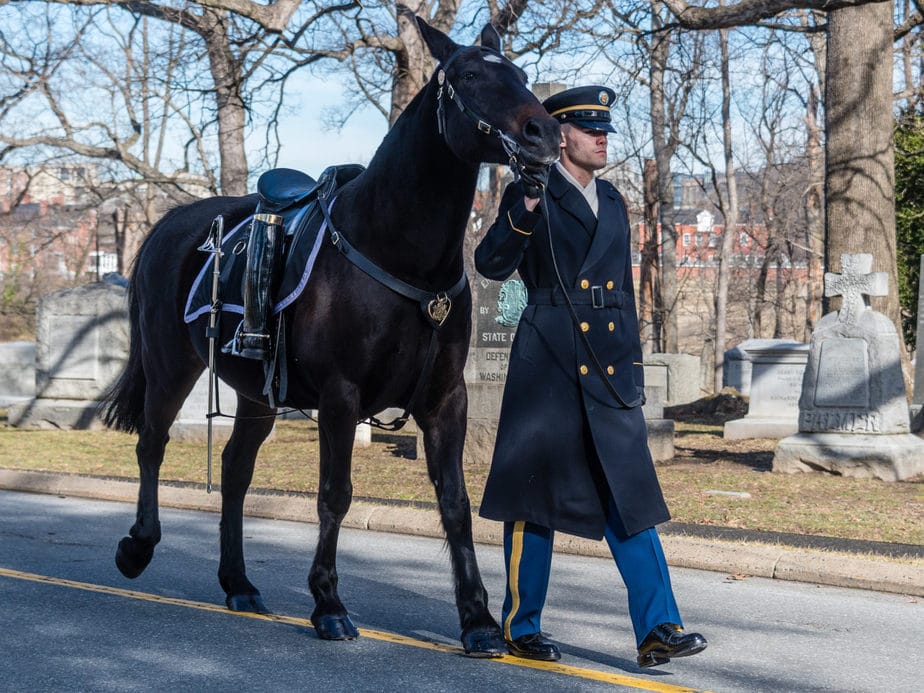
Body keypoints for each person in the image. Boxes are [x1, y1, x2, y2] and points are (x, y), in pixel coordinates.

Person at [474, 85, 707, 668]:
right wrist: (523, 211)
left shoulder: (616, 200)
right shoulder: (529, 190)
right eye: (590, 129)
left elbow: (625, 293)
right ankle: (520, 626)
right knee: (534, 501)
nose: (603, 138)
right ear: (560, 136)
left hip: (608, 369)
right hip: (547, 362)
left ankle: (659, 628)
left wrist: (633, 363)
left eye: (606, 129)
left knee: (630, 498)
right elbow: (491, 264)